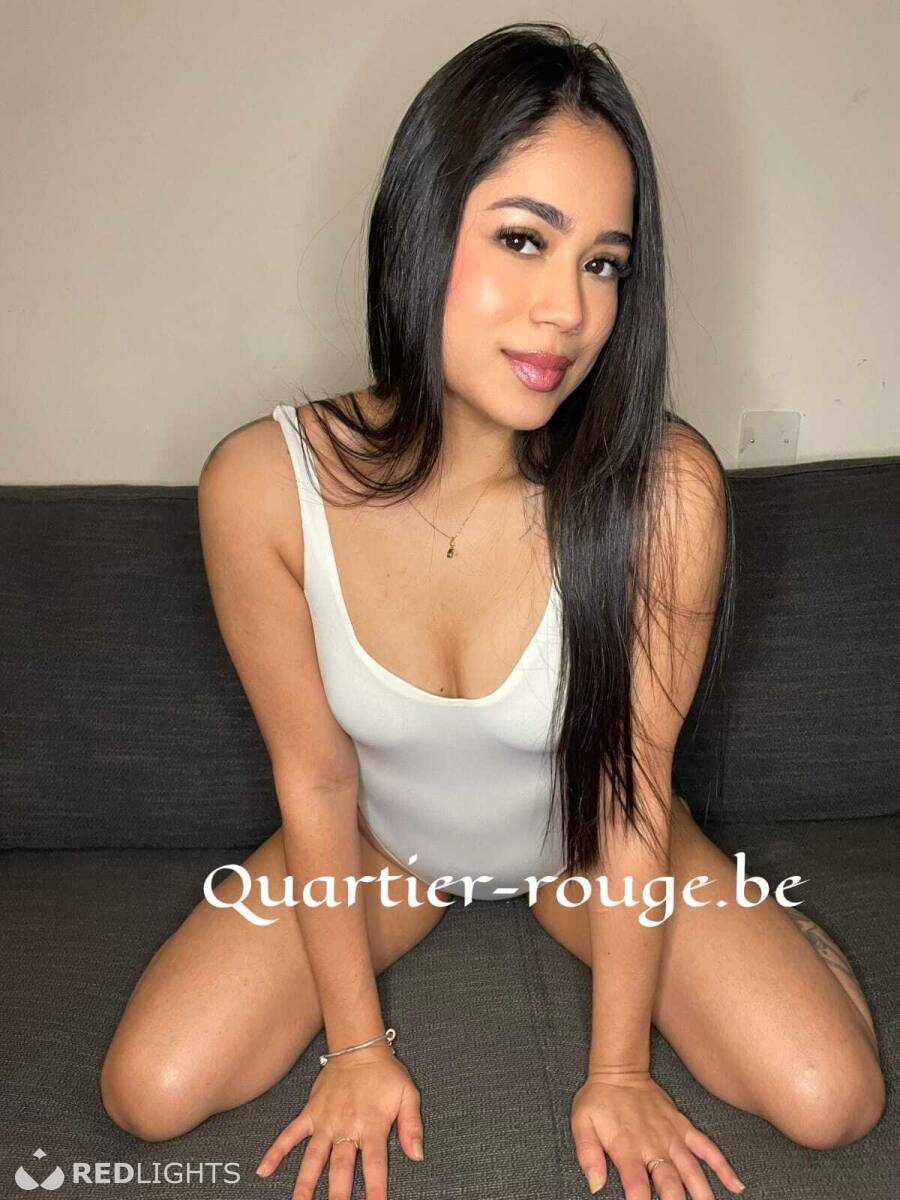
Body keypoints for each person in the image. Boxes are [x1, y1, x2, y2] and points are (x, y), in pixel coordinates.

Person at [98, 21, 885, 1200]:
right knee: (148, 1090)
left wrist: (617, 1073)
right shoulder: (262, 485)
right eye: (524, 239)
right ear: (421, 229)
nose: (567, 310)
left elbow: (632, 795)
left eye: (605, 264)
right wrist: (357, 1051)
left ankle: (804, 943)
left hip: (591, 852)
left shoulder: (666, 492)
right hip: (384, 857)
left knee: (833, 1100)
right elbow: (316, 781)